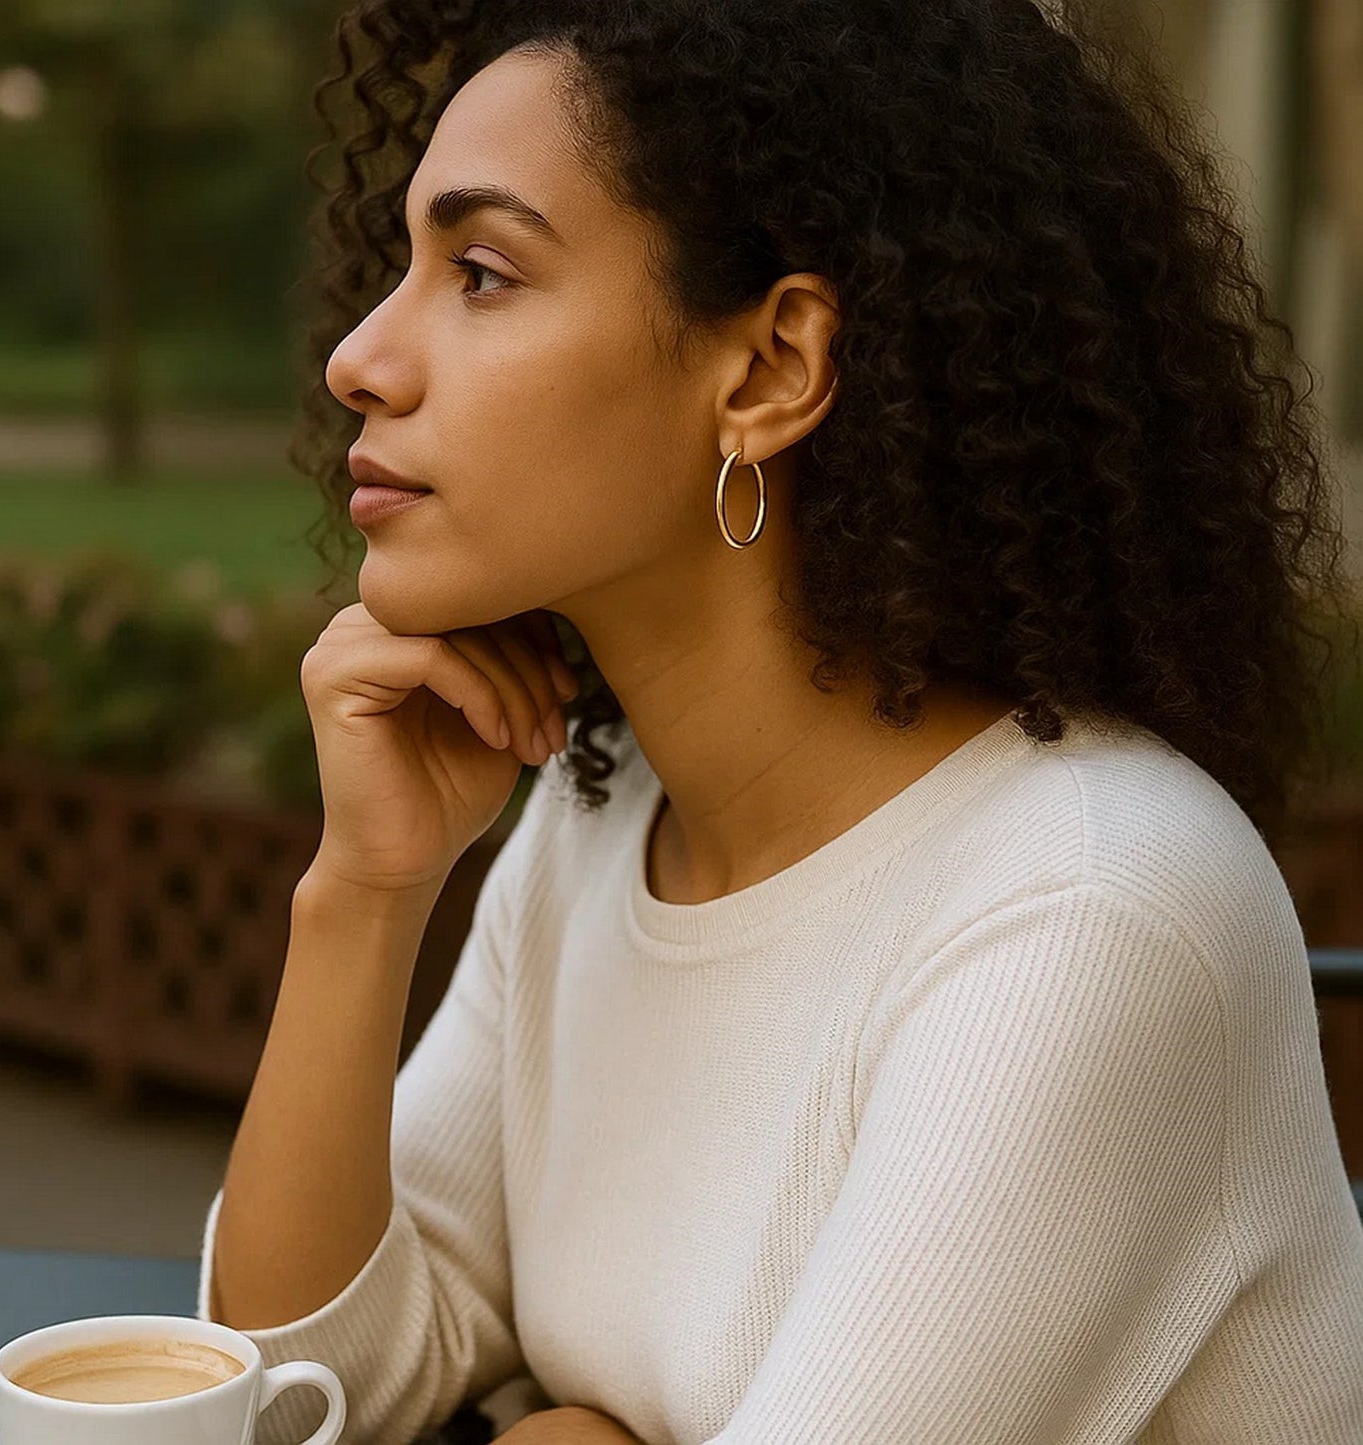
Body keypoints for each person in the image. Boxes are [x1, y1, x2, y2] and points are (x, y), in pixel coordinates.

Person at [196, 2, 1363, 1441]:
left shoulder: (1087, 911)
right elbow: (283, 1403)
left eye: (481, 273)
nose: (361, 359)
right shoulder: (594, 808)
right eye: (403, 268)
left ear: (766, 371)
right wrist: (362, 896)